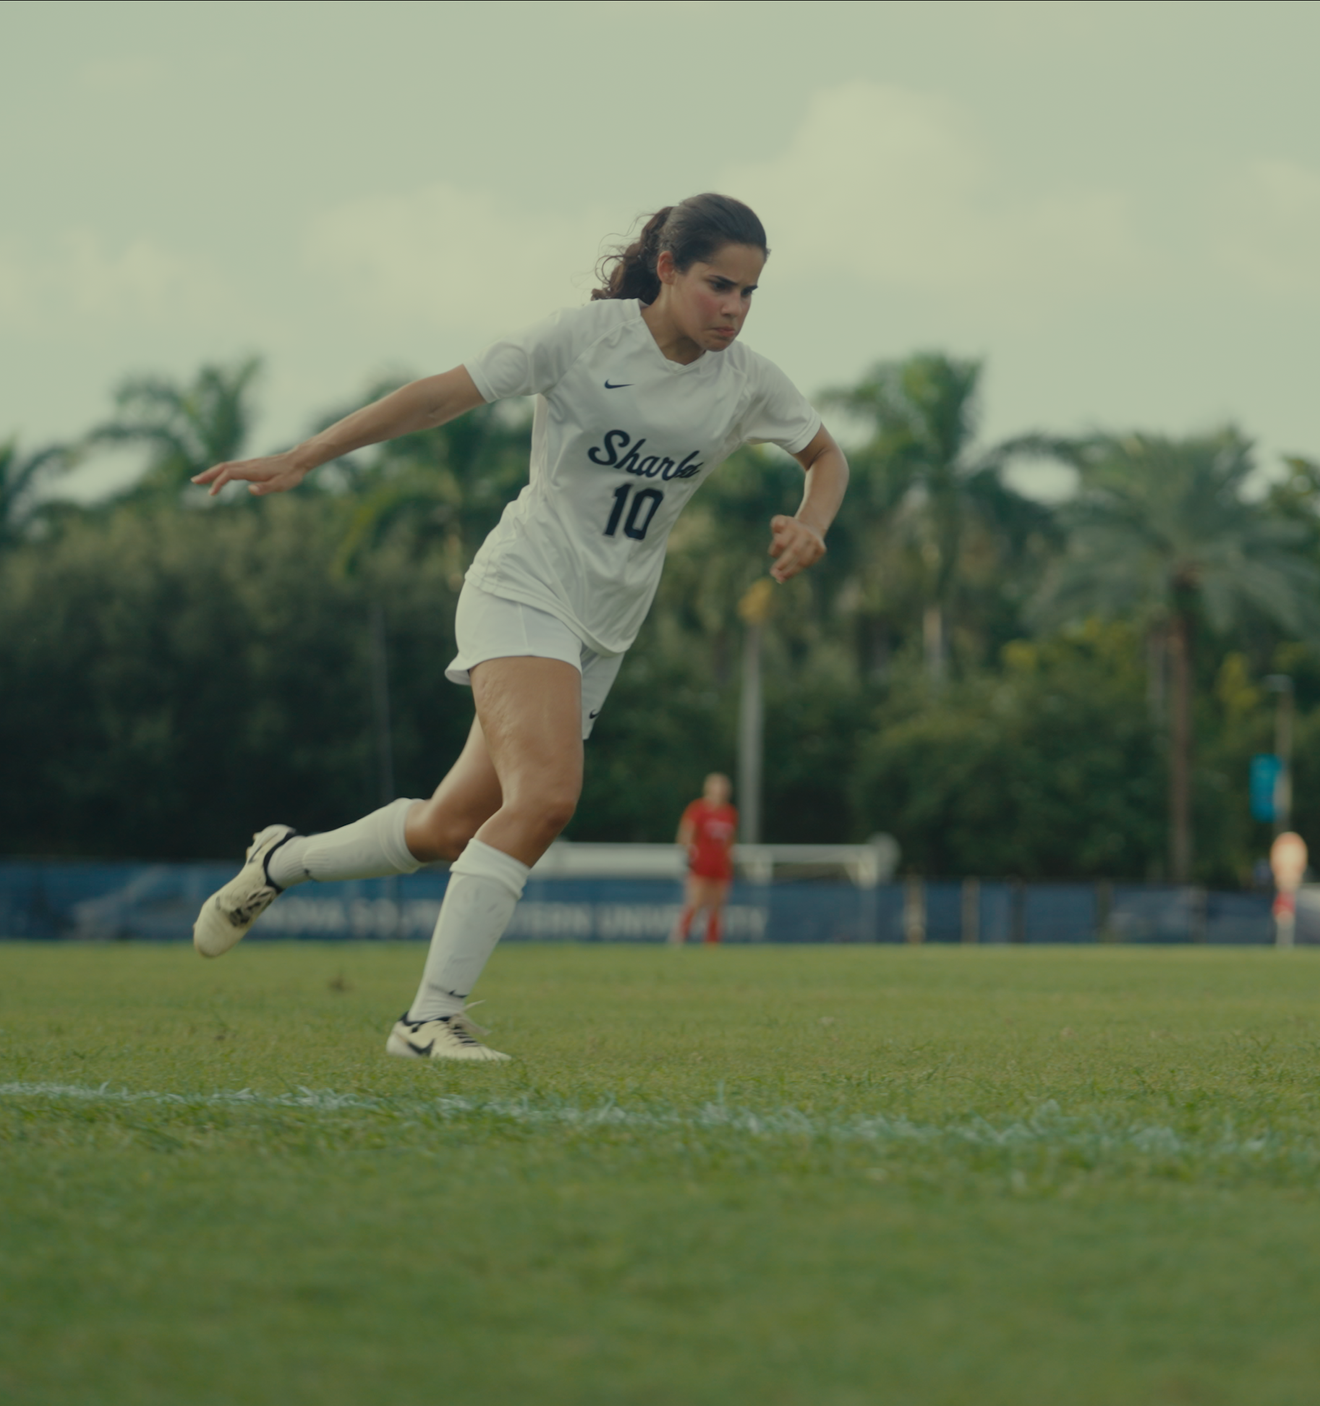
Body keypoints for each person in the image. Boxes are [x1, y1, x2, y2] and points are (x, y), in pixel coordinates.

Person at [184, 194, 848, 1061]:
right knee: (545, 799)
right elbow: (435, 399)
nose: (734, 308)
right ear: (668, 270)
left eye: (750, 293)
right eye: (718, 286)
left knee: (448, 829)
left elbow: (825, 456)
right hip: (521, 586)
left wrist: (813, 523)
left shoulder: (747, 379)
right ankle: (428, 1021)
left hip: (604, 627)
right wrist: (304, 456)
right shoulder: (582, 337)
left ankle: (278, 862)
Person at [671, 773, 738, 946]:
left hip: (720, 867)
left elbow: (730, 841)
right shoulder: (698, 809)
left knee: (718, 907)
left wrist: (730, 859)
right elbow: (685, 834)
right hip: (701, 866)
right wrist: (689, 853)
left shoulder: (729, 812)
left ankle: (712, 944)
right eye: (718, 786)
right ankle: (679, 939)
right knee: (695, 903)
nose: (722, 790)